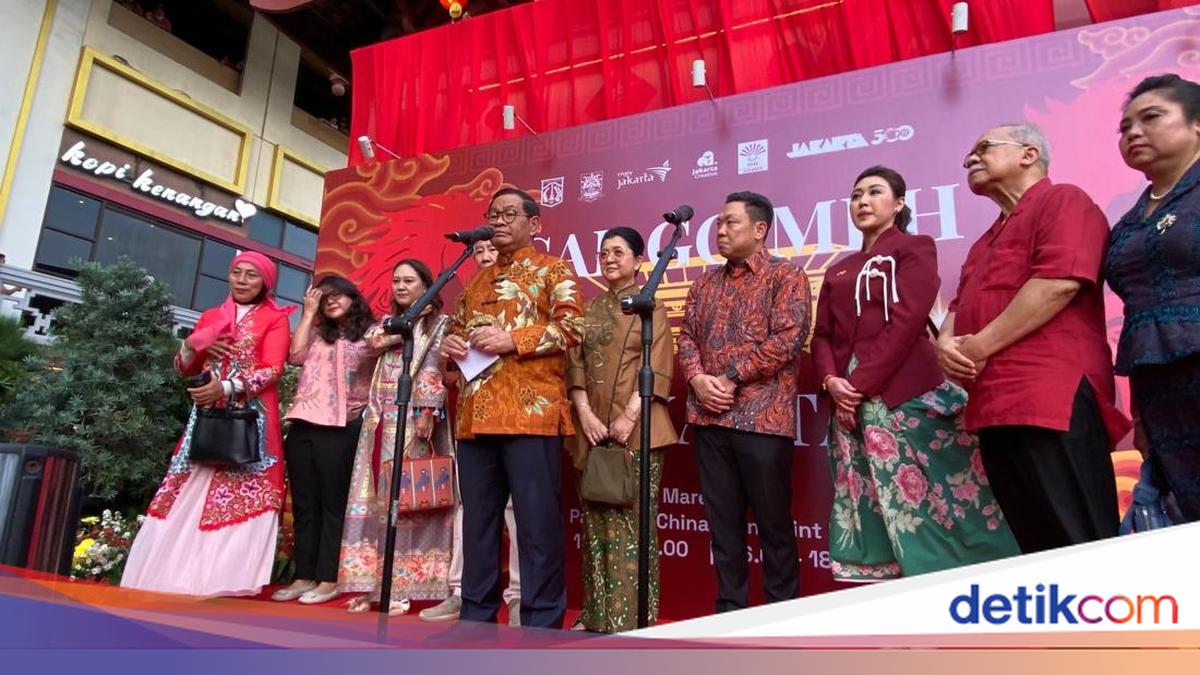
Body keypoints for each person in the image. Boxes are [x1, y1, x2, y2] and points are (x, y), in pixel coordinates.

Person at [812, 166, 1020, 581]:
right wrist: (831, 381)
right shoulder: (839, 268)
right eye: (856, 195)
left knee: (943, 496)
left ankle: (977, 581)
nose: (863, 201)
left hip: (902, 391)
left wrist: (859, 385)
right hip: (848, 402)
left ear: (899, 204)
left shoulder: (914, 248)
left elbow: (907, 321)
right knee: (870, 494)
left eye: (875, 192)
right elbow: (822, 336)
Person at [938, 123, 1130, 554]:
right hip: (992, 405)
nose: (970, 159)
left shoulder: (1063, 200)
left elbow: (1057, 285)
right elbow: (956, 308)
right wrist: (945, 345)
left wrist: (978, 347)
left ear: (1028, 154)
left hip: (1049, 397)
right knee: (1035, 547)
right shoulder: (984, 240)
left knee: (1081, 541)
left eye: (984, 147)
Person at [440, 187, 583, 628]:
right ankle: (475, 618)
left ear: (534, 224)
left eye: (508, 214)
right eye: (493, 215)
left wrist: (512, 339)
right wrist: (451, 347)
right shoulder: (474, 281)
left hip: (530, 416)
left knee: (537, 526)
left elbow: (573, 327)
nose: (498, 222)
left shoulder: (553, 269)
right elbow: (458, 340)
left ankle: (540, 625)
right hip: (475, 418)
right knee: (478, 526)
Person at [121, 251, 292, 596]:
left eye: (251, 275)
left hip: (251, 420)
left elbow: (273, 369)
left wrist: (226, 387)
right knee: (188, 488)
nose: (242, 280)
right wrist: (190, 345)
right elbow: (185, 367)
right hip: (208, 417)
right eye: (237, 273)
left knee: (243, 489)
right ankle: (166, 578)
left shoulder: (274, 319)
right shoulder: (212, 316)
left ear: (266, 282)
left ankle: (226, 582)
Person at [676, 191, 810, 613]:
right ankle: (730, 616)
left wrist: (730, 377)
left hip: (763, 422)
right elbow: (686, 338)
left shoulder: (786, 275)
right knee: (724, 531)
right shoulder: (704, 283)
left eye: (730, 222)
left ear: (759, 229)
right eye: (718, 223)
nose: (720, 230)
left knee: (774, 529)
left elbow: (788, 339)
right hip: (710, 421)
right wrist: (697, 379)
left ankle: (781, 621)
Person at [565, 226, 677, 632]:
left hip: (639, 431)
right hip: (592, 432)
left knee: (633, 526)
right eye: (603, 252)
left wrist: (630, 415)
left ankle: (630, 619)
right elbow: (574, 364)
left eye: (618, 252)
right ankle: (596, 614)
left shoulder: (651, 308)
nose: (609, 259)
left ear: (638, 260)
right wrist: (585, 415)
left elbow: (658, 364)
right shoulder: (589, 309)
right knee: (594, 524)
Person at [1105, 74, 1200, 522]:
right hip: (1158, 387)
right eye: (1125, 127)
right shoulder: (1127, 222)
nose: (1134, 132)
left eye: (1151, 117)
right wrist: (1141, 417)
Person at [337, 259, 454, 615]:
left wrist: (427, 410)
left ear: (427, 287)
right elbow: (370, 345)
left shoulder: (439, 324)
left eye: (409, 281)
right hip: (379, 418)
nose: (401, 287)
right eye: (397, 281)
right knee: (376, 500)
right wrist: (400, 328)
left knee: (406, 501)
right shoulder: (389, 323)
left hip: (414, 416)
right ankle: (374, 585)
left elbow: (434, 366)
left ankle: (402, 586)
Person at [420, 236, 524, 625]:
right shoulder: (466, 300)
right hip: (473, 418)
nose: (484, 256)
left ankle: (519, 596)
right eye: (478, 251)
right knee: (471, 508)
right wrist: (450, 352)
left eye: (491, 249)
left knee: (516, 509)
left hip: (517, 416)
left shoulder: (525, 294)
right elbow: (447, 371)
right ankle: (462, 592)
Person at [271, 276, 377, 605]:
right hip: (303, 423)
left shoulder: (370, 334)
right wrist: (307, 313)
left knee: (333, 505)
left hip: (341, 426)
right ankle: (304, 576)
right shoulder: (319, 334)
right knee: (305, 505)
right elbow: (295, 356)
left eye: (337, 295)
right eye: (324, 297)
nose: (331, 301)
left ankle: (330, 578)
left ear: (353, 297)